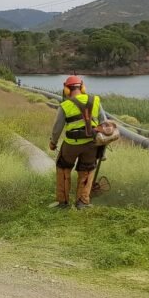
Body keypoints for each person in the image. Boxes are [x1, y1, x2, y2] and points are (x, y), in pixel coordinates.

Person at [49, 76, 106, 210]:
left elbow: (57, 128)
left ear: (67, 90)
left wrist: (53, 143)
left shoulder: (65, 105)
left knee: (63, 168)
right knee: (87, 170)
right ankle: (82, 202)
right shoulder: (95, 100)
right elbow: (104, 123)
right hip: (92, 144)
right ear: (82, 87)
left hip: (71, 145)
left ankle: (62, 203)